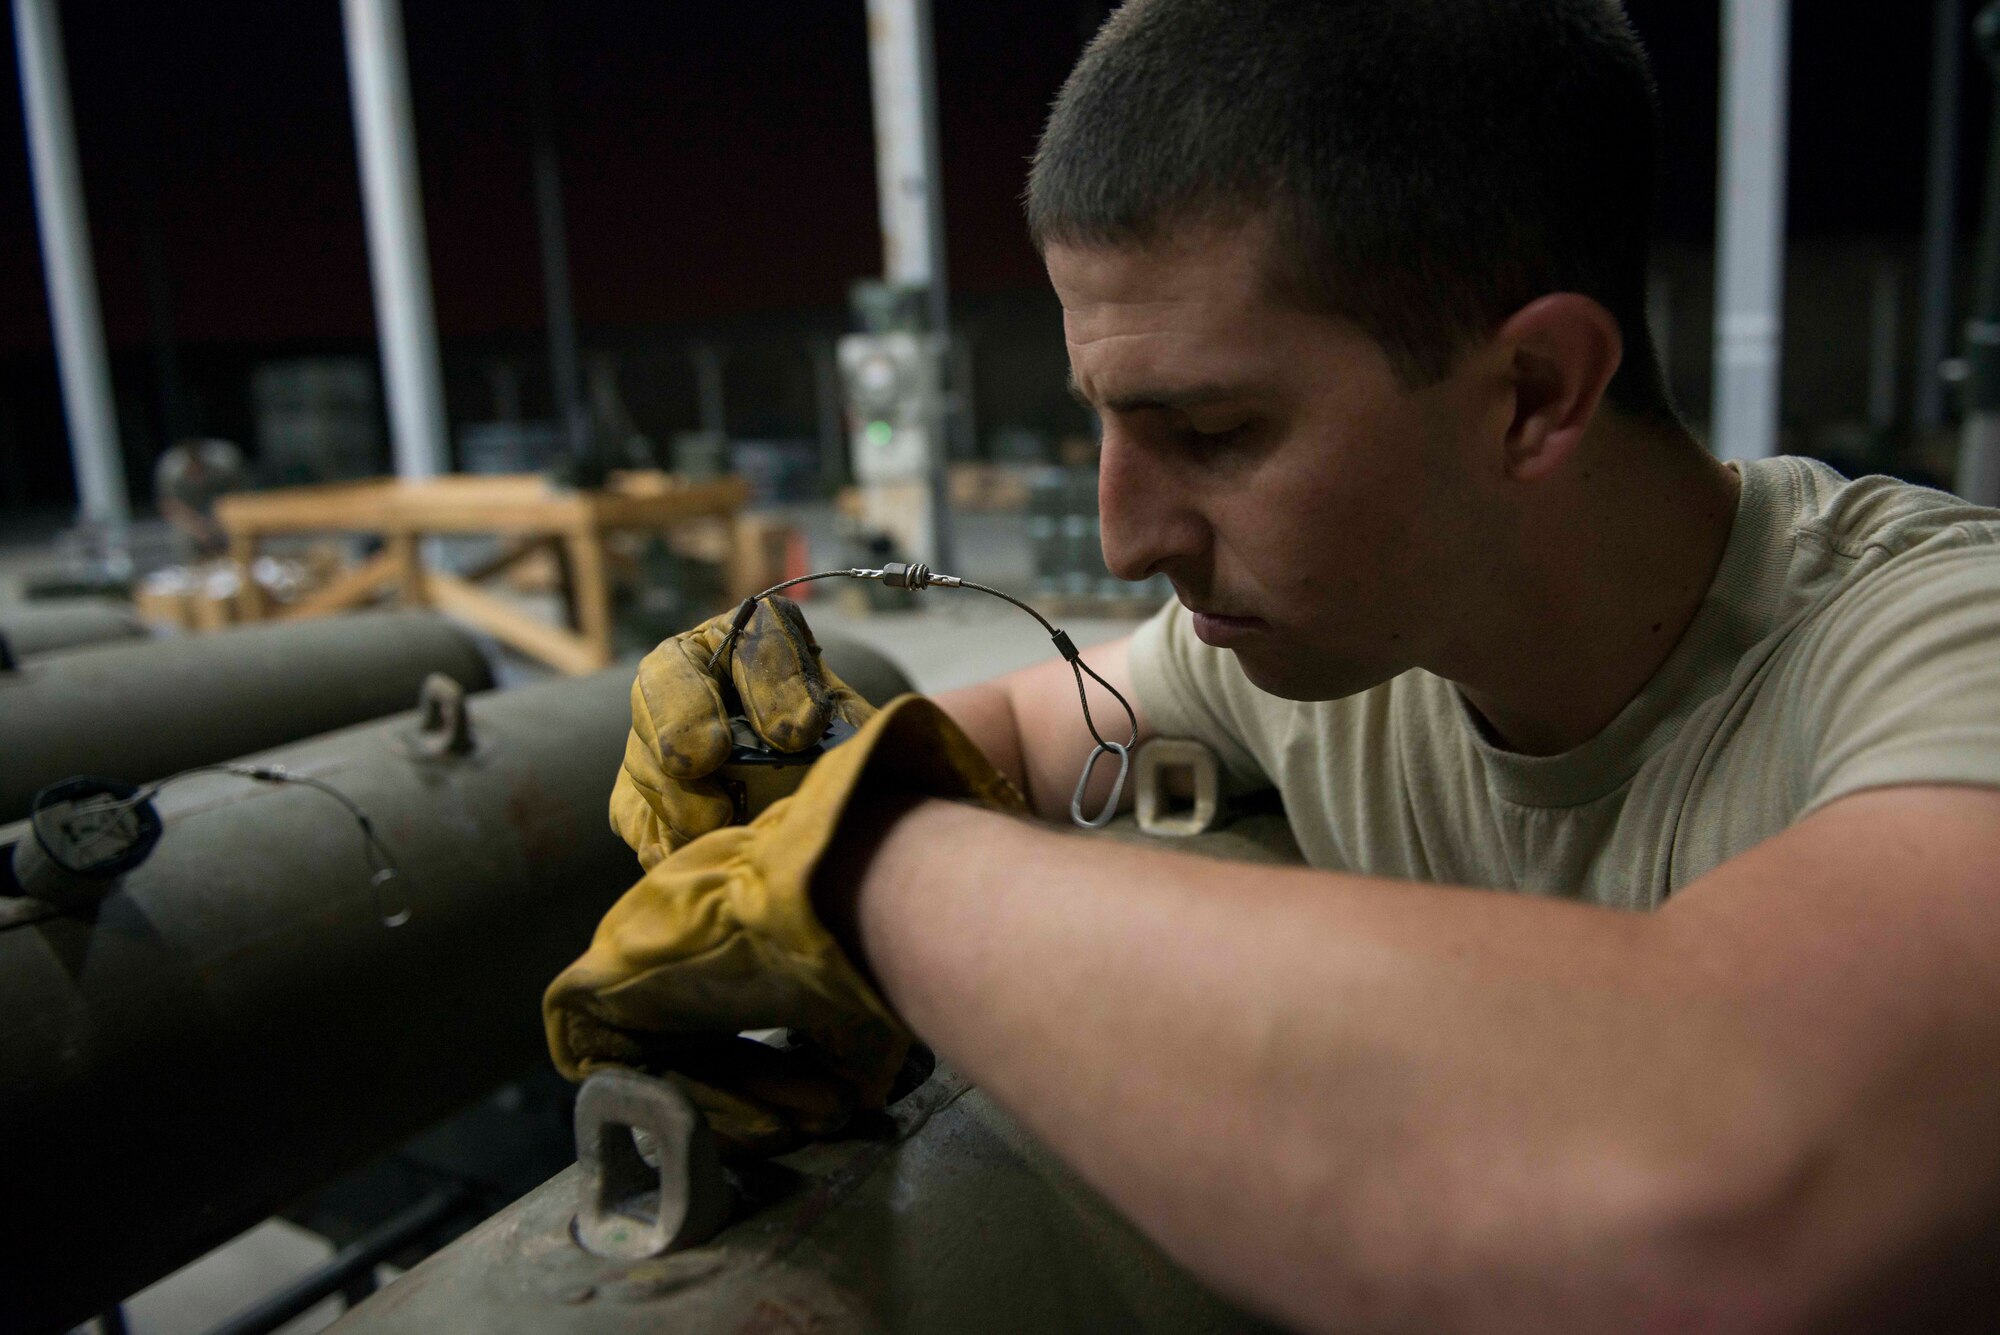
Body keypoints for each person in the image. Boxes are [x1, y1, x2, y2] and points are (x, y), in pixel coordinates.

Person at [545, 2, 2000, 1329]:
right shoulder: (1334, 634)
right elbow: (1025, 725)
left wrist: (861, 865)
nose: (1122, 538)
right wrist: (801, 771)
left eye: (1214, 432)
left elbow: (1746, 1187)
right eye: (1106, 426)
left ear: (1535, 393)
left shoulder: (1939, 644)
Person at [153, 436, 249, 559]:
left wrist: (221, 519)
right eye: (193, 474)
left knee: (237, 530)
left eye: (200, 473)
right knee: (182, 538)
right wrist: (198, 528)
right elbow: (168, 505)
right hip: (191, 513)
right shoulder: (170, 470)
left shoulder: (225, 461)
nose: (198, 479)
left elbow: (240, 494)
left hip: (221, 508)